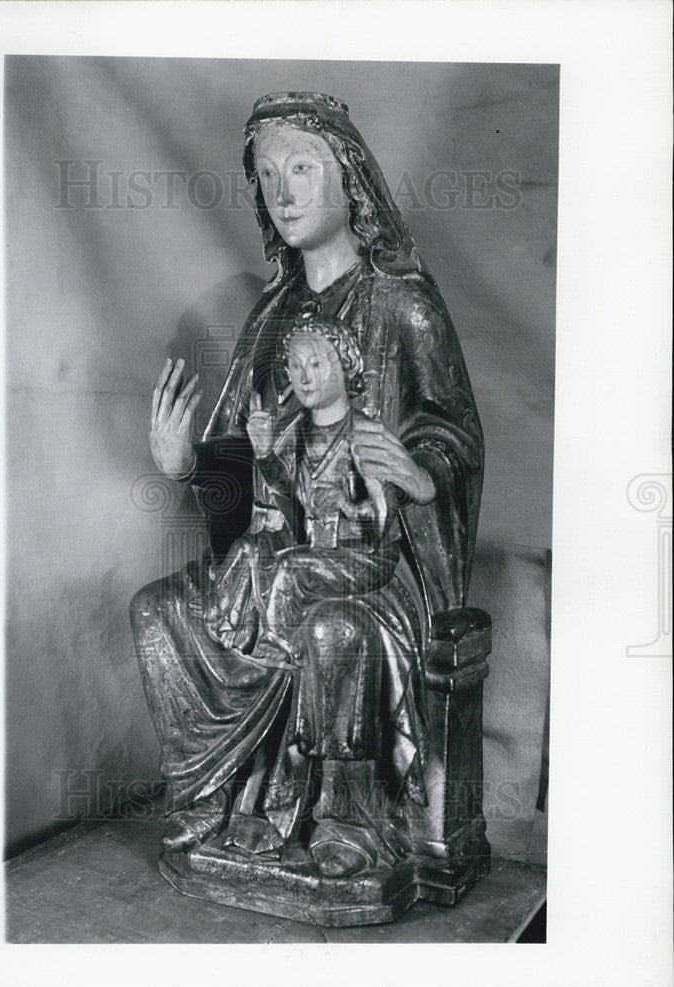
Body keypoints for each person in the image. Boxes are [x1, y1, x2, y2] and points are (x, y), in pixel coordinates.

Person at [132, 92, 484, 877]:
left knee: (332, 631)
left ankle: (348, 819)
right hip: (279, 549)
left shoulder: (406, 306)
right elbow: (249, 467)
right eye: (266, 175)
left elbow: (454, 437)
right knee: (159, 613)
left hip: (376, 563)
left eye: (301, 168)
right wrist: (186, 463)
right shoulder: (270, 316)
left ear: (350, 179)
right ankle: (218, 802)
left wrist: (422, 475)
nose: (281, 192)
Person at [203, 309, 435, 669]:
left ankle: (283, 649)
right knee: (248, 549)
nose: (304, 378)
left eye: (315, 365)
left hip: (362, 556)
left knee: (290, 568)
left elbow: (381, 522)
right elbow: (291, 504)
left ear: (345, 364)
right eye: (295, 367)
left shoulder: (365, 435)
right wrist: (265, 455)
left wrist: (345, 503)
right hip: (315, 546)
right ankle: (230, 632)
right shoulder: (296, 432)